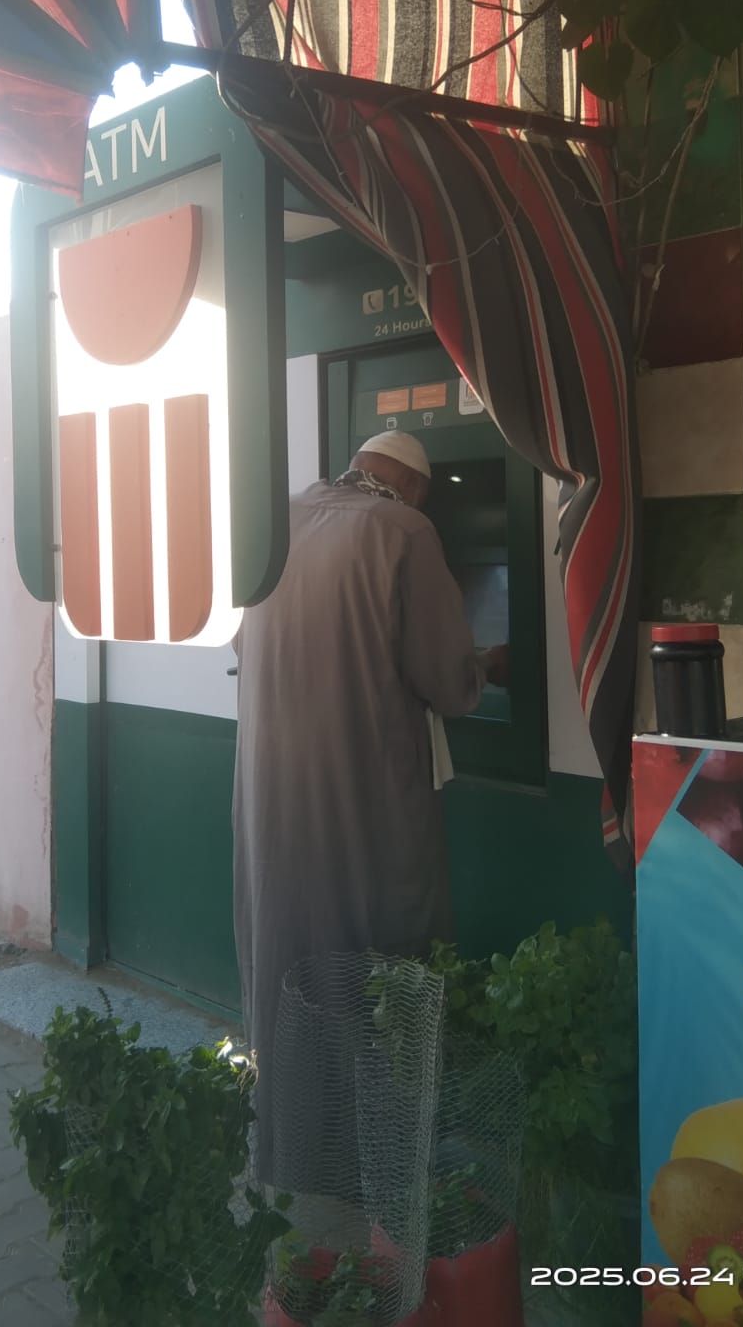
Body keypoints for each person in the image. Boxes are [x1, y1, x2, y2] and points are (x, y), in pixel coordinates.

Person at [231, 429, 508, 1183]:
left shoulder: (275, 521)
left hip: (272, 796)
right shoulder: (404, 531)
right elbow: (448, 681)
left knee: (288, 945)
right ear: (415, 486)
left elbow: (244, 644)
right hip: (363, 795)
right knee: (379, 951)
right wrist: (487, 663)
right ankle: (375, 1163)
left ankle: (294, 1146)